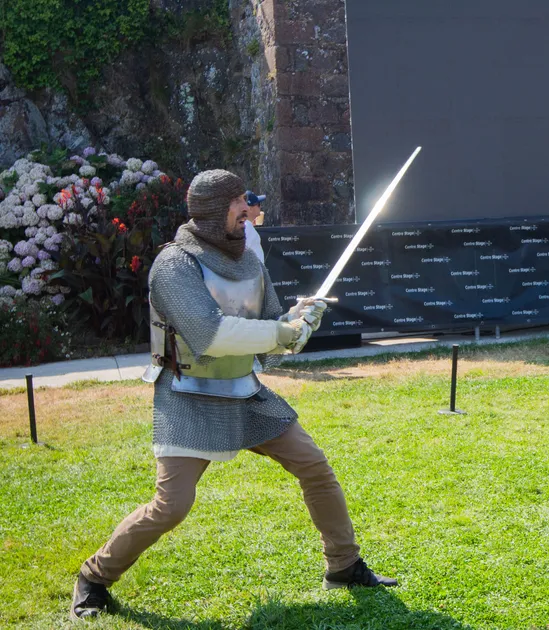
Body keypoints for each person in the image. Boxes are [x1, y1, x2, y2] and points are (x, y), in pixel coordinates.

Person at [69, 170, 398, 621]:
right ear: (211, 210)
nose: (249, 209)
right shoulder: (174, 265)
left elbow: (270, 333)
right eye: (238, 202)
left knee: (314, 466)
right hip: (189, 395)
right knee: (172, 505)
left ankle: (343, 565)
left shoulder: (248, 262)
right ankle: (94, 577)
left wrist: (300, 322)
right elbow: (209, 335)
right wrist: (281, 331)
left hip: (245, 391)